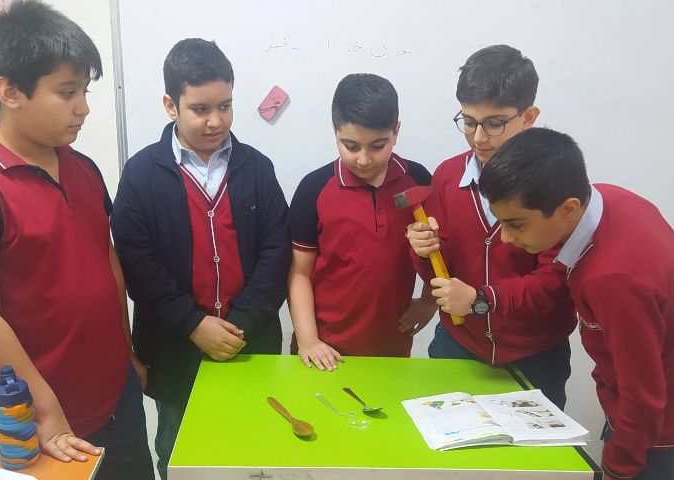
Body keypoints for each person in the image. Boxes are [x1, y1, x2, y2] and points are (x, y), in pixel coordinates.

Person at [0, 2, 153, 478]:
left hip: (115, 395)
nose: (83, 107)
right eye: (67, 92)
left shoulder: (83, 168)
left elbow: (106, 262)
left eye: (84, 91)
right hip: (35, 424)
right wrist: (45, 414)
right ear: (9, 91)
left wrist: (126, 353)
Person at [110, 38, 290, 478]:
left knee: (254, 456)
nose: (216, 121)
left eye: (225, 106)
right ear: (170, 105)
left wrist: (238, 324)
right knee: (181, 457)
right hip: (174, 350)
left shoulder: (257, 168)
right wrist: (193, 324)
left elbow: (276, 252)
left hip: (250, 344)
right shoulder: (141, 174)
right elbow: (137, 265)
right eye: (200, 109)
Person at [479, 127, 674, 480]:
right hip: (639, 414)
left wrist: (618, 468)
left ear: (568, 208)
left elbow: (643, 396)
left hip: (657, 437)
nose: (505, 238)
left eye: (516, 224)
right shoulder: (608, 198)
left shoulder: (613, 279)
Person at [405, 45, 575, 408]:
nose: (479, 138)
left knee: (533, 447)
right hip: (459, 345)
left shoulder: (555, 181)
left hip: (535, 354)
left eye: (494, 123)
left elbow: (555, 282)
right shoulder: (448, 176)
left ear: (529, 116)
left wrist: (482, 300)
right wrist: (423, 251)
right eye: (468, 121)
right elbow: (441, 274)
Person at [288, 73, 434, 371]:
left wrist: (429, 302)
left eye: (378, 145)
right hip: (323, 349)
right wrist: (308, 340)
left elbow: (437, 250)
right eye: (351, 146)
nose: (364, 159)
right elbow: (300, 273)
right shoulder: (314, 189)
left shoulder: (418, 181)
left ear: (396, 131)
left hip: (392, 348)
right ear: (335, 131)